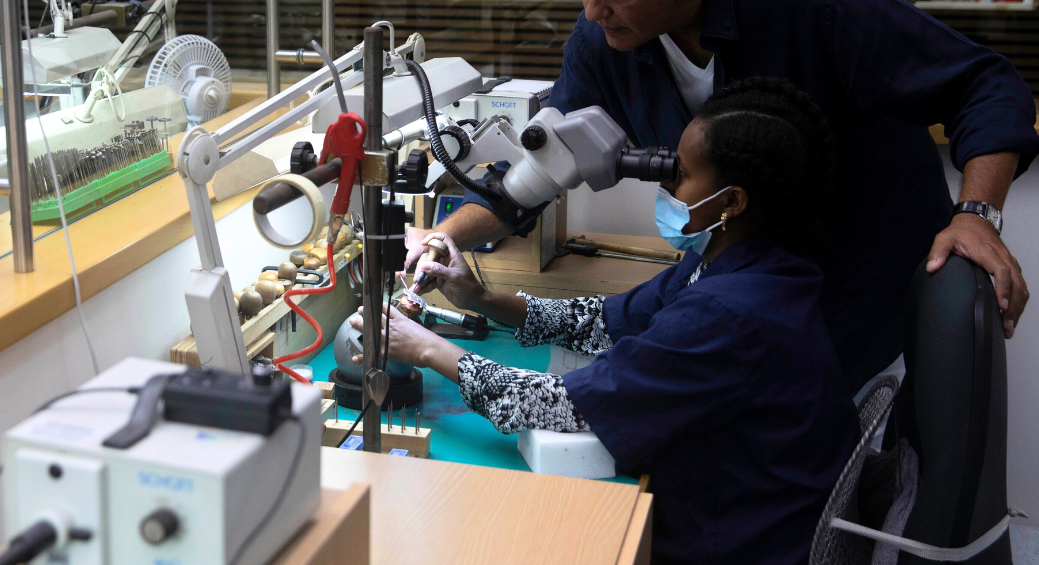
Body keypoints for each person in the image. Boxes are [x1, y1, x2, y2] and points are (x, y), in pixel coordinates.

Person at [406, 0, 1039, 395]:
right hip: (751, 302)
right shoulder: (608, 40)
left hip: (863, 282)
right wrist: (443, 239)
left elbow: (983, 83)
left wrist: (976, 214)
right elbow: (545, 167)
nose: (592, 11)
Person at [360, 78, 858, 564]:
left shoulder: (731, 313)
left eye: (681, 174)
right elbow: (603, 321)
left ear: (731, 201)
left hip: (736, 538)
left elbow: (561, 405)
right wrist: (480, 297)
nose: (664, 181)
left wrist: (425, 347)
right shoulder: (744, 261)